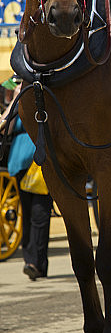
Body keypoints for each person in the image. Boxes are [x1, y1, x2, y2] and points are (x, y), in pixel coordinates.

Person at [1, 79, 52, 280]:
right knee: (28, 212)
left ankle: (36, 263)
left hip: (42, 162)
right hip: (20, 163)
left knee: (40, 213)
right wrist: (15, 101)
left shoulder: (44, 97)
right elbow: (7, 127)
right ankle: (31, 261)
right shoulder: (18, 100)